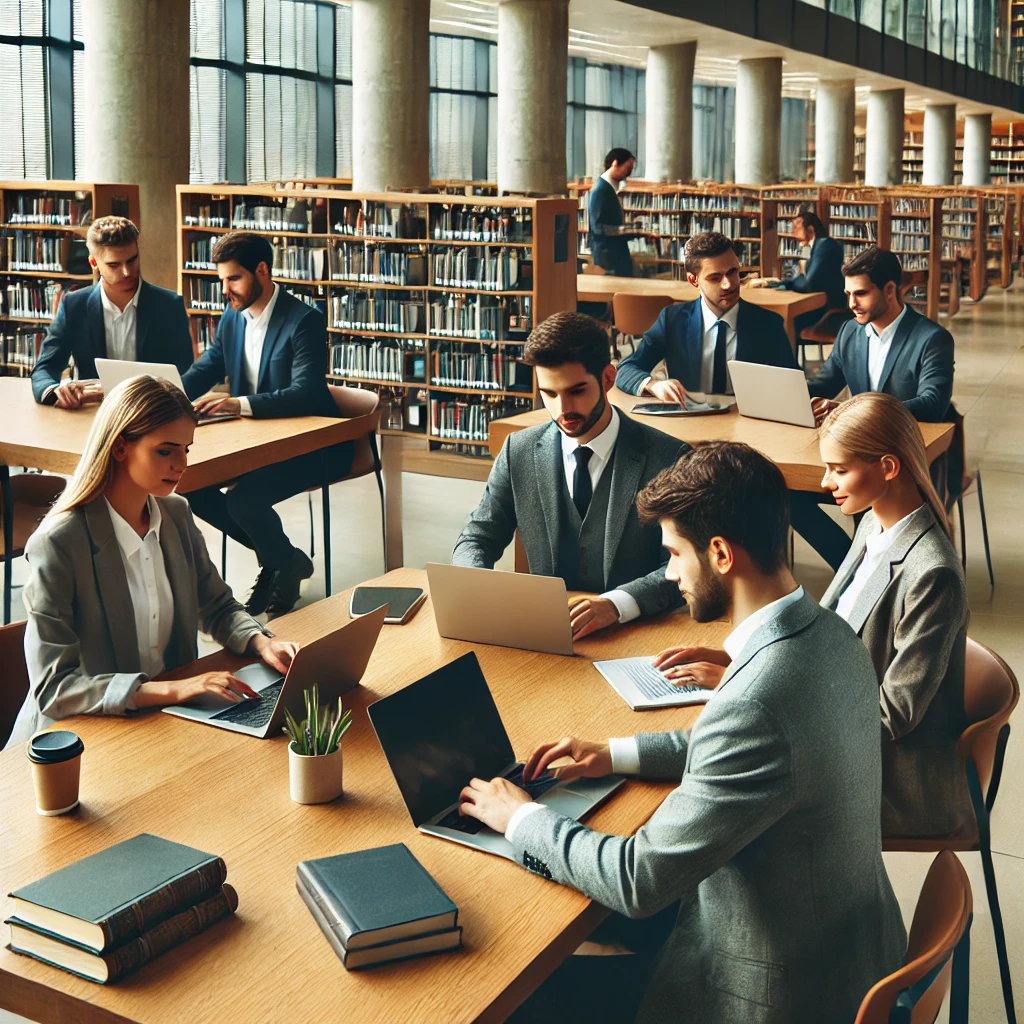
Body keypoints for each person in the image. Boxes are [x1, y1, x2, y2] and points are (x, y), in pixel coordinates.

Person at [458, 441, 906, 1023]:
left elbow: (638, 880)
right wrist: (613, 753)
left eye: (673, 554)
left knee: (514, 998)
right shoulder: (830, 634)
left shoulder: (758, 701)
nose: (669, 574)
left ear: (720, 553)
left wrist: (520, 817)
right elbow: (757, 749)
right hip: (847, 953)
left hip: (768, 995)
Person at [657, 394, 972, 839]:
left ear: (888, 467)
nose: (825, 483)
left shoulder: (933, 573)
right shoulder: (874, 523)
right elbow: (827, 634)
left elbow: (890, 718)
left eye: (839, 470)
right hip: (843, 730)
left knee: (726, 786)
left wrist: (766, 693)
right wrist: (747, 660)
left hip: (892, 780)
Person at [7, 376, 298, 748]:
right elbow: (56, 688)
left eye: (186, 449)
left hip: (162, 722)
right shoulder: (58, 543)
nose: (181, 464)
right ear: (119, 447)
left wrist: (261, 642)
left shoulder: (175, 513)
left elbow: (217, 605)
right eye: (165, 451)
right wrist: (174, 689)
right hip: (79, 738)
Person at [452, 311, 687, 640]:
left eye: (576, 391)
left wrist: (616, 604)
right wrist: (476, 586)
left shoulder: (670, 458)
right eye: (549, 393)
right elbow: (478, 538)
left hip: (640, 635)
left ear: (608, 378)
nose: (562, 408)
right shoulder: (518, 450)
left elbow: (688, 565)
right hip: (545, 637)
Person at [181, 232, 354, 618]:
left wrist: (238, 404)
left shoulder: (304, 320)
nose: (225, 290)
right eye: (221, 279)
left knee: (244, 500)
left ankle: (279, 566)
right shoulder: (233, 317)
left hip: (311, 447)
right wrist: (164, 395)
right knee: (191, 487)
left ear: (262, 270)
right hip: (254, 443)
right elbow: (207, 367)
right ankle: (285, 560)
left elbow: (305, 393)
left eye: (233, 279)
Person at [796, 246, 957, 566]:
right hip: (854, 457)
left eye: (861, 293)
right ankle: (851, 564)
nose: (851, 303)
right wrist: (788, 392)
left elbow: (933, 403)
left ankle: (862, 565)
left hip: (906, 459)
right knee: (788, 494)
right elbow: (825, 382)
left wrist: (855, 412)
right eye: (848, 294)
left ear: (890, 290)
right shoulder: (850, 331)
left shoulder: (932, 338)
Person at [31, 216, 194, 407]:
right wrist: (54, 391)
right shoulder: (73, 306)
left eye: (132, 260)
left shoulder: (169, 305)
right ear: (94, 263)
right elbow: (44, 368)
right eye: (114, 265)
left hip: (152, 412)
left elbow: (184, 374)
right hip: (93, 413)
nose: (127, 272)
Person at [615, 231, 796, 401]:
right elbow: (627, 369)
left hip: (747, 419)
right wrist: (653, 384)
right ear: (693, 280)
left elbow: (793, 387)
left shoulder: (768, 324)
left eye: (733, 272)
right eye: (715, 278)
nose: (728, 284)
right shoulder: (672, 320)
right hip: (689, 418)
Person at [749, 207, 847, 340]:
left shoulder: (826, 246)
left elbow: (809, 282)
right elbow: (803, 276)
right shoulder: (811, 246)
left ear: (810, 229)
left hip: (826, 311)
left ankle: (785, 353)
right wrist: (782, 283)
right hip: (815, 304)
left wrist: (788, 285)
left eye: (797, 227)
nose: (793, 232)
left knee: (777, 319)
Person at [587, 148, 652, 277]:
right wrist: (633, 231)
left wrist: (633, 230)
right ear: (615, 163)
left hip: (614, 255)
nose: (629, 173)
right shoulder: (600, 190)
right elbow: (598, 228)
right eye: (627, 168)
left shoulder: (609, 188)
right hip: (608, 258)